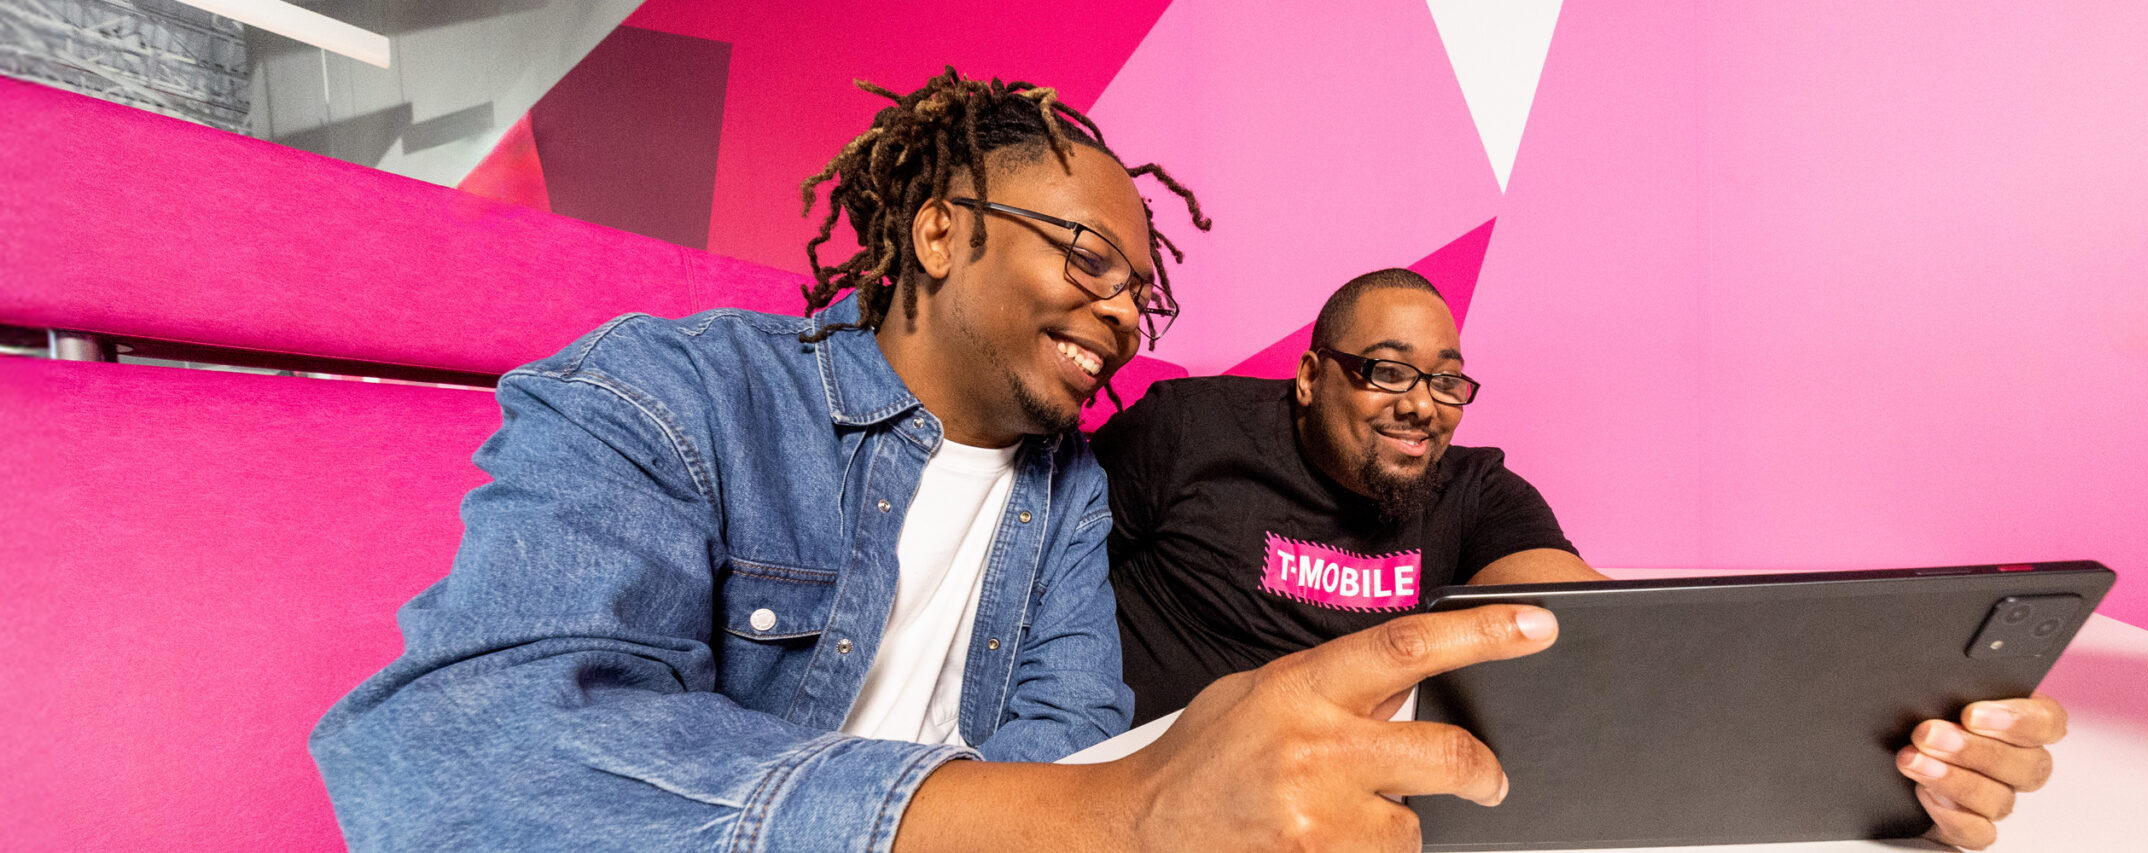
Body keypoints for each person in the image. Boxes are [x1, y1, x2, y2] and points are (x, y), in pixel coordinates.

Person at [310, 71, 1552, 852]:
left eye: (1140, 291)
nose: (1119, 315)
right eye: (1087, 259)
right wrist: (1103, 818)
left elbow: (1061, 749)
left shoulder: (1065, 494)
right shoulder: (674, 393)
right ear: (942, 228)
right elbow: (457, 756)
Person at [1094, 268, 2070, 849]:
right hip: (1125, 799)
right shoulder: (1187, 432)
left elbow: (1595, 635)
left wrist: (1885, 756)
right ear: (1310, 375)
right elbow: (1029, 571)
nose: (1420, 404)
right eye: (1386, 370)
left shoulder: (1473, 491)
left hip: (1340, 821)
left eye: (1445, 381)